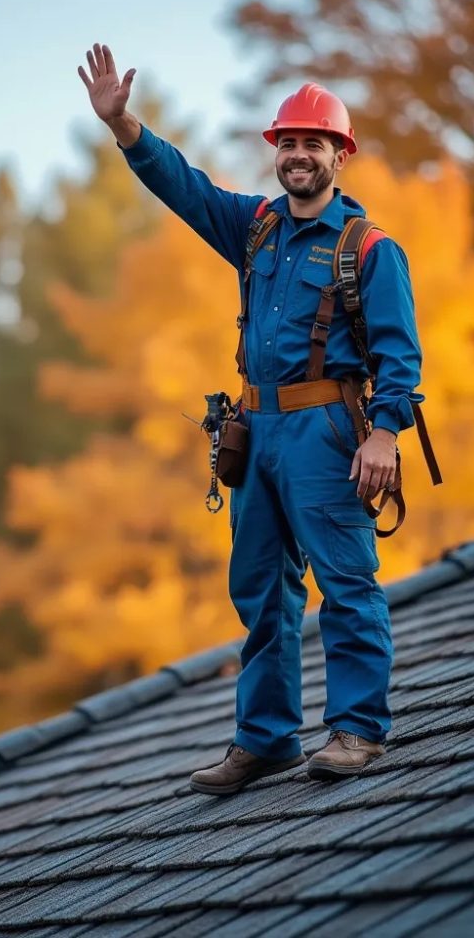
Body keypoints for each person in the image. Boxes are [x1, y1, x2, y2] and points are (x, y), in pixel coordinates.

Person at [78, 43, 426, 793]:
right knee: (260, 589)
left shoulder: (369, 249)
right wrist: (125, 126)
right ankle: (264, 738)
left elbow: (402, 354)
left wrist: (385, 432)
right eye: (289, 143)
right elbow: (187, 188)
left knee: (347, 579)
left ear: (341, 155)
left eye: (315, 144)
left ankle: (359, 730)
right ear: (278, 151)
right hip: (256, 431)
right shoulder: (256, 228)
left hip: (328, 433)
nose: (300, 155)